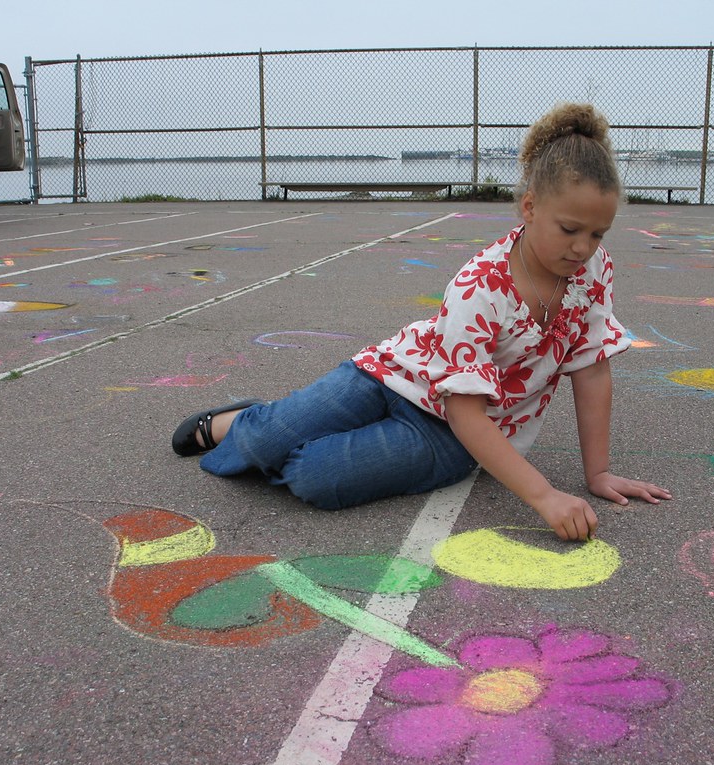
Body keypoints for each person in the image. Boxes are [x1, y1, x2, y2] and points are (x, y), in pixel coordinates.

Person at [172, 102, 671, 541]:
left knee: (314, 477)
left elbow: (590, 368)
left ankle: (283, 430)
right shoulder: (481, 286)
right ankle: (242, 423)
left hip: (450, 432)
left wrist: (598, 472)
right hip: (392, 375)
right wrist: (544, 497)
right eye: (569, 229)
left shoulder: (592, 273)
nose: (582, 247)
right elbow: (465, 402)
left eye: (597, 234)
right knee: (264, 441)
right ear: (530, 207)